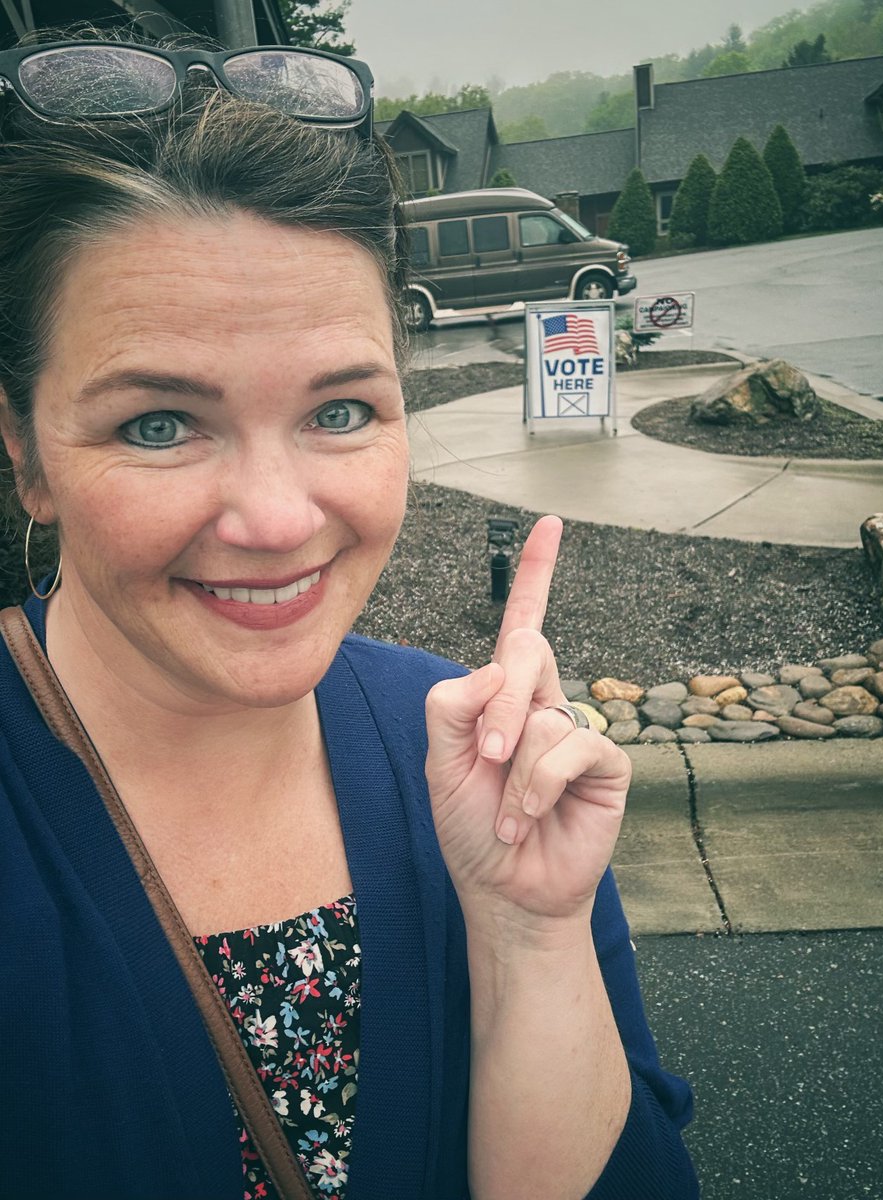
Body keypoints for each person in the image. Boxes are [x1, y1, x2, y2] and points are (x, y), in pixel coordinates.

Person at [0, 27, 698, 1200]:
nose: (277, 521)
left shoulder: (475, 756)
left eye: (340, 412)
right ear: (24, 451)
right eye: (159, 424)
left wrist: (530, 943)